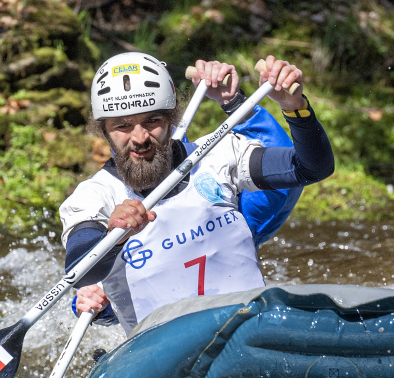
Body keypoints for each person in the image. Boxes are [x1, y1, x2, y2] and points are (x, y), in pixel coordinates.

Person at [60, 53, 334, 336]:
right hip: (161, 351)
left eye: (152, 120)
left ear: (171, 119)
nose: (139, 138)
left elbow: (311, 168)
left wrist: (294, 107)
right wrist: (113, 238)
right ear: (105, 131)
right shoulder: (93, 196)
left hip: (248, 333)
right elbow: (80, 272)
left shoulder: (220, 154)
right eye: (122, 125)